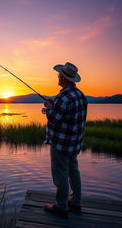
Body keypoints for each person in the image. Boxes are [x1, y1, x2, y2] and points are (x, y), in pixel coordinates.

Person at [43, 62, 88, 219]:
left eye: (59, 75)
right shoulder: (80, 95)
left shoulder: (63, 97)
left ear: (64, 78)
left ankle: (61, 207)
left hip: (60, 143)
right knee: (73, 172)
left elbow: (54, 119)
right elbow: (68, 112)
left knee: (60, 174)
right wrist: (53, 103)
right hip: (74, 143)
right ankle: (76, 202)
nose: (58, 77)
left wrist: (47, 108)